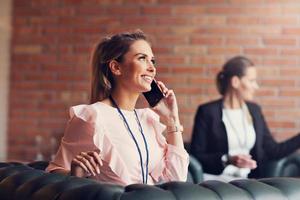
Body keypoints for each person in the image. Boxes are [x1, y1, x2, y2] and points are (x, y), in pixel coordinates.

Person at [46, 30, 189, 186]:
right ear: (116, 67)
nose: (152, 68)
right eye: (142, 58)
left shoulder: (148, 119)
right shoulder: (91, 116)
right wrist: (76, 174)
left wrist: (171, 118)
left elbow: (177, 180)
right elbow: (55, 171)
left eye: (153, 61)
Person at [190, 56, 300, 180]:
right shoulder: (207, 112)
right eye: (251, 81)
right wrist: (227, 159)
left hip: (247, 182)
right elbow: (197, 155)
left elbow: (272, 150)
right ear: (235, 82)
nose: (256, 86)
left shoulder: (254, 111)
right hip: (216, 181)